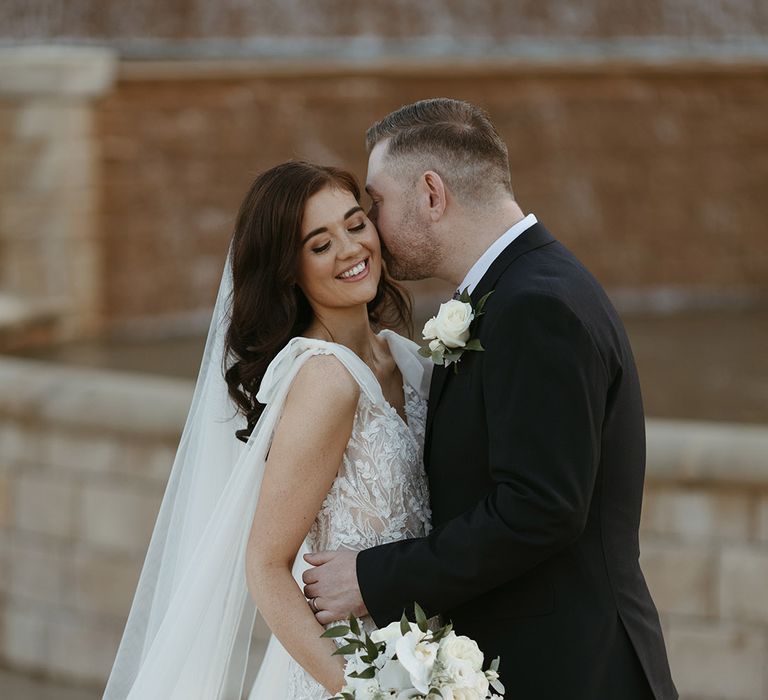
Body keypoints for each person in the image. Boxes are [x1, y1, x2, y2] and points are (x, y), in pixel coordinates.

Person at [302, 98, 679, 699]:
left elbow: (540, 507)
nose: (371, 224)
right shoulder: (519, 290)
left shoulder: (535, 307)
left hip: (571, 673)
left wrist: (373, 579)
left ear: (431, 193)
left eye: (377, 201)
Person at [102, 161, 433, 699]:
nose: (351, 250)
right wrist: (370, 690)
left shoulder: (409, 360)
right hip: (358, 670)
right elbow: (266, 567)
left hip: (431, 653)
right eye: (320, 245)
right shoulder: (326, 378)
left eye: (355, 225)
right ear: (289, 271)